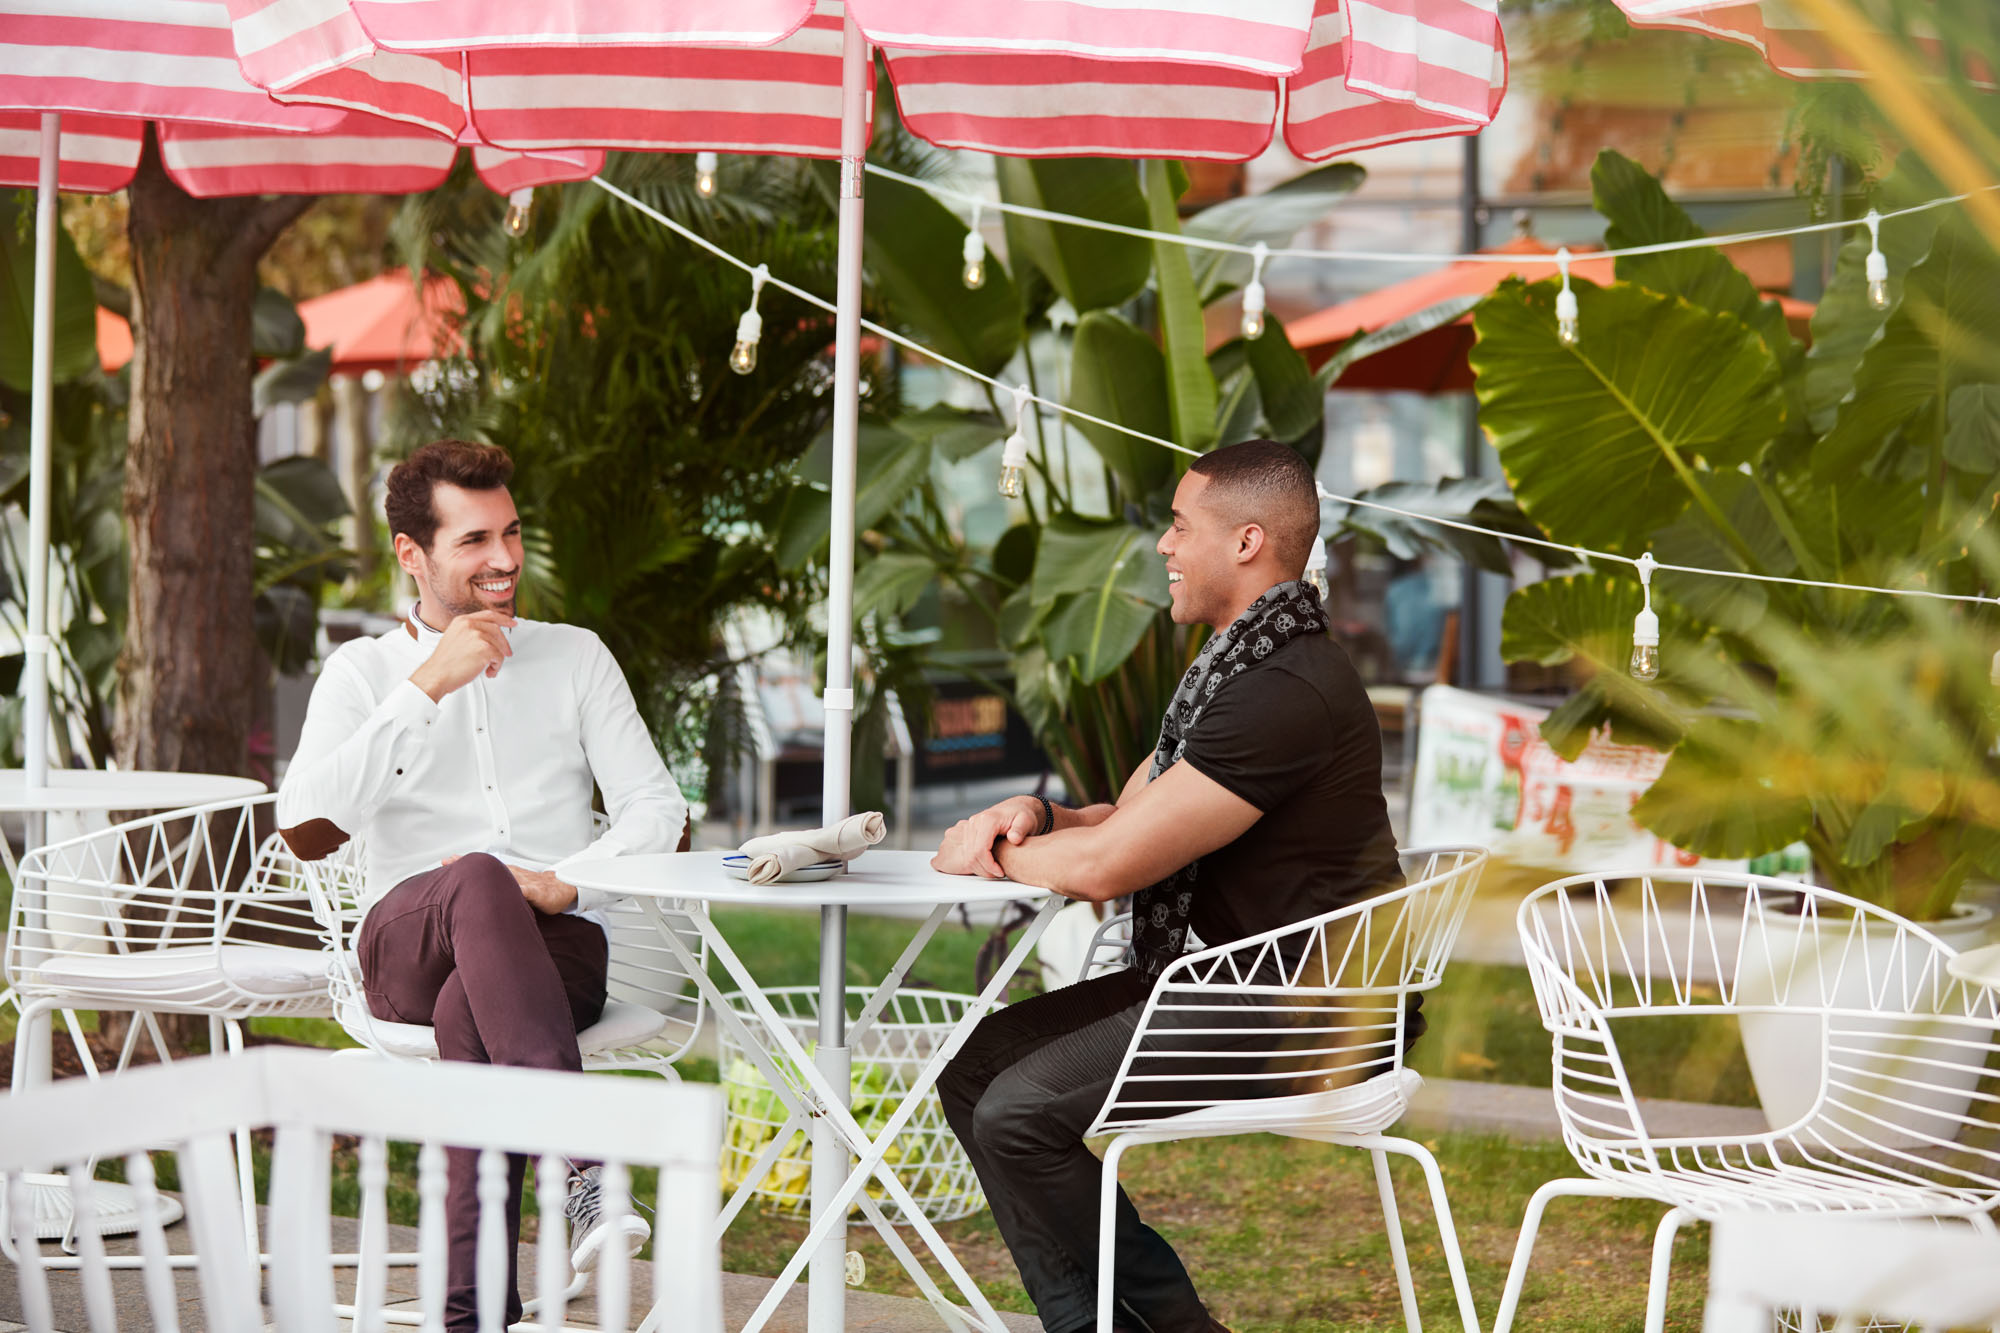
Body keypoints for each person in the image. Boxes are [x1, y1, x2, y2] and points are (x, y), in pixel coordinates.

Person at [930, 439, 1406, 1333]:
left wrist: (983, 855)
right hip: (1235, 982)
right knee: (977, 1075)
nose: (1163, 545)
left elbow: (1114, 869)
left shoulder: (1286, 686)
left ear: (1248, 542)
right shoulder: (1234, 670)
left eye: (1182, 525)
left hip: (1312, 1008)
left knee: (1018, 1113)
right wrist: (1037, 816)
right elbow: (1122, 820)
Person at [277, 440, 688, 1331]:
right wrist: (427, 686)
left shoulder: (577, 657)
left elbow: (660, 811)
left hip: (556, 943)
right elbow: (306, 827)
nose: (504, 559)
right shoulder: (364, 675)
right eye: (474, 540)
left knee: (477, 1013)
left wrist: (564, 881)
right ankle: (582, 1162)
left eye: (511, 533)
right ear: (411, 555)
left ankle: (471, 1317)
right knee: (472, 879)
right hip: (406, 943)